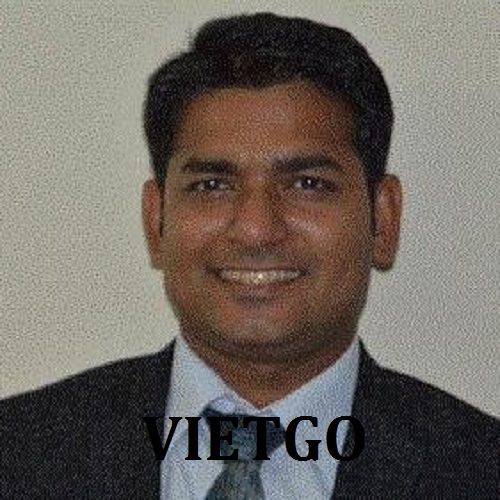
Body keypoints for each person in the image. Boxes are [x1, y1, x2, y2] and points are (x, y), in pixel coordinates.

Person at [1, 12, 498, 499]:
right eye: (212, 185)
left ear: (383, 218)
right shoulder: (18, 455)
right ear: (157, 219)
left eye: (308, 184)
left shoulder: (480, 469)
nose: (256, 229)